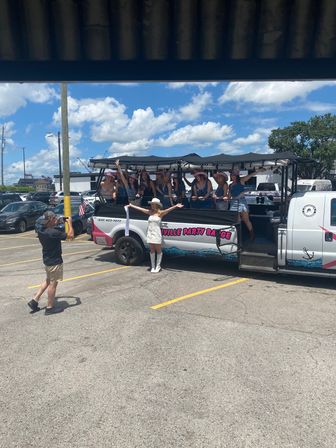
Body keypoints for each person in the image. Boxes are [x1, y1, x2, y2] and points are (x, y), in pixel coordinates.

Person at [27, 210, 74, 315]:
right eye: (54, 218)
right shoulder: (53, 233)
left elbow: (51, 225)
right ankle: (50, 308)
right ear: (50, 220)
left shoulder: (41, 231)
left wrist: (59, 221)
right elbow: (70, 236)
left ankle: (34, 300)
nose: (56, 220)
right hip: (55, 261)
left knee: (48, 280)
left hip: (47, 260)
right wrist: (69, 223)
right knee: (53, 284)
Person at [127, 198, 184, 273]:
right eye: (151, 204)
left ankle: (158, 266)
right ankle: (153, 266)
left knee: (158, 250)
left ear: (157, 205)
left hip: (157, 233)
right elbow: (141, 209)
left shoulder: (161, 213)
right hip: (150, 233)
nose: (152, 205)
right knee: (152, 250)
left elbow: (168, 210)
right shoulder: (150, 212)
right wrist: (131, 205)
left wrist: (176, 206)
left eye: (153, 204)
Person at [228, 168, 264, 239]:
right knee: (236, 221)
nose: (233, 176)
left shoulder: (241, 180)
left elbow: (250, 175)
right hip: (233, 203)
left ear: (237, 175)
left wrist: (258, 171)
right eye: (232, 175)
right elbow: (229, 195)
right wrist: (227, 198)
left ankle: (252, 235)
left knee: (246, 220)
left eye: (234, 175)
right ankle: (237, 237)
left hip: (241, 202)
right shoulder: (230, 185)